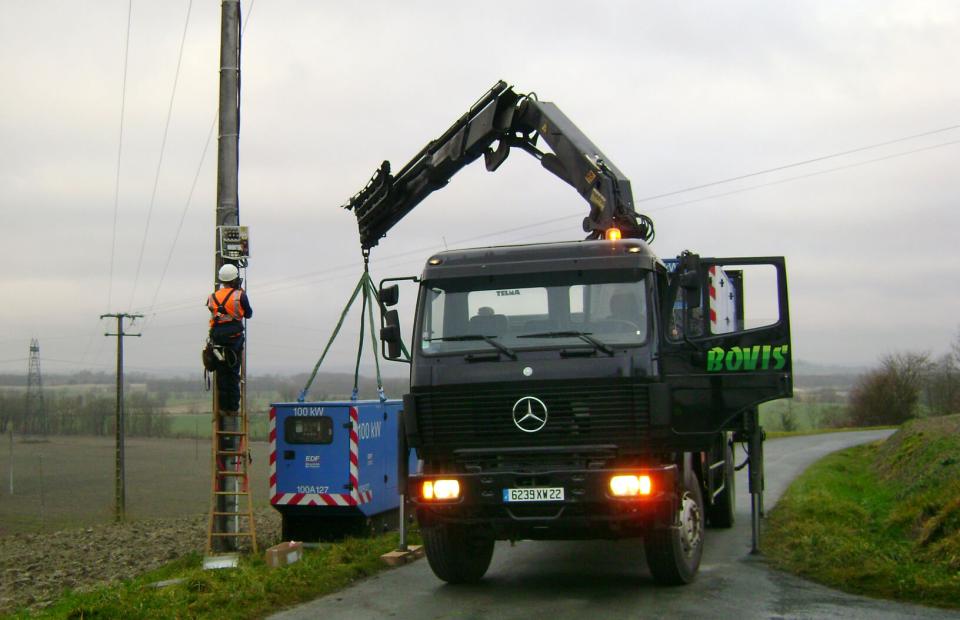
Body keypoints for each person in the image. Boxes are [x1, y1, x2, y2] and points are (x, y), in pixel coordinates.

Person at [207, 263, 252, 415]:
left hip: (217, 337)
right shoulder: (240, 295)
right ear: (235, 280)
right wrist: (240, 291)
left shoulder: (212, 297)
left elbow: (214, 310)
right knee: (232, 372)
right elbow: (248, 314)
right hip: (234, 339)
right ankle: (232, 408)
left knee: (221, 372)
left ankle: (222, 407)